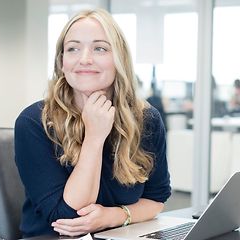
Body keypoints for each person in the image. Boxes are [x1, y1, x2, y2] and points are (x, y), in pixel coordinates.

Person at [15, 8, 171, 238]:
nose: (84, 59)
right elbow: (69, 218)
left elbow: (156, 198)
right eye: (73, 49)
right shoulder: (34, 122)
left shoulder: (145, 118)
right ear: (61, 62)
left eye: (99, 48)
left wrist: (112, 216)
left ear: (119, 59)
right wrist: (95, 137)